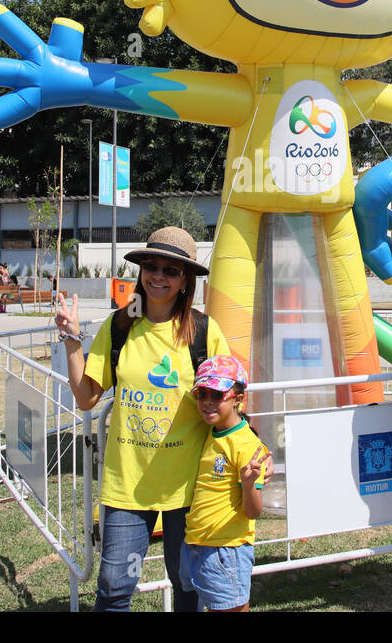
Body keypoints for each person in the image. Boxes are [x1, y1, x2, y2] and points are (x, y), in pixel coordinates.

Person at [53, 226, 238, 612]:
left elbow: (229, 406)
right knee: (115, 588)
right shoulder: (119, 326)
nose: (158, 276)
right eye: (150, 266)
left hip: (189, 486)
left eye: (171, 270)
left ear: (186, 279)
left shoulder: (204, 332)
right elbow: (87, 398)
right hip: (128, 486)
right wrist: (72, 341)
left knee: (188, 586)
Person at [180, 355, 270, 612]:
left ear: (238, 400)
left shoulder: (246, 447)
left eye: (218, 395)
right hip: (196, 545)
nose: (207, 402)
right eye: (202, 394)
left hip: (225, 550)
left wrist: (250, 483)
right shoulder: (211, 430)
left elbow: (253, 512)